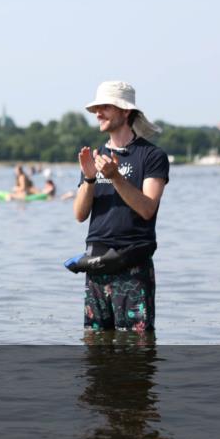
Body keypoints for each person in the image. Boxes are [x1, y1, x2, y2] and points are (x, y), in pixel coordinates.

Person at [72, 81, 169, 334]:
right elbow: (80, 215)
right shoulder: (95, 157)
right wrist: (90, 178)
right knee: (95, 352)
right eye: (96, 108)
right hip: (96, 265)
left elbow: (147, 208)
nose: (98, 113)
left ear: (125, 111)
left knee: (136, 352)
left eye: (105, 106)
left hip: (132, 267)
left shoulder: (152, 156)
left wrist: (115, 177)